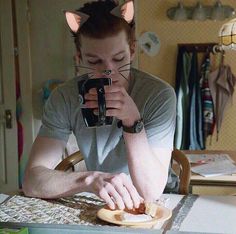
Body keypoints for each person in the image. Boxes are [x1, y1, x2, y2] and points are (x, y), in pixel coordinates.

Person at [23, 0, 178, 210]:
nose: (109, 71)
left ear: (132, 50)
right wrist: (89, 180)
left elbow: (151, 192)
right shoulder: (64, 97)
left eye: (119, 58)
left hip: (159, 202)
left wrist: (132, 119)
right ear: (79, 58)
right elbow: (32, 181)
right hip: (103, 202)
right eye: (95, 62)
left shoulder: (159, 95)